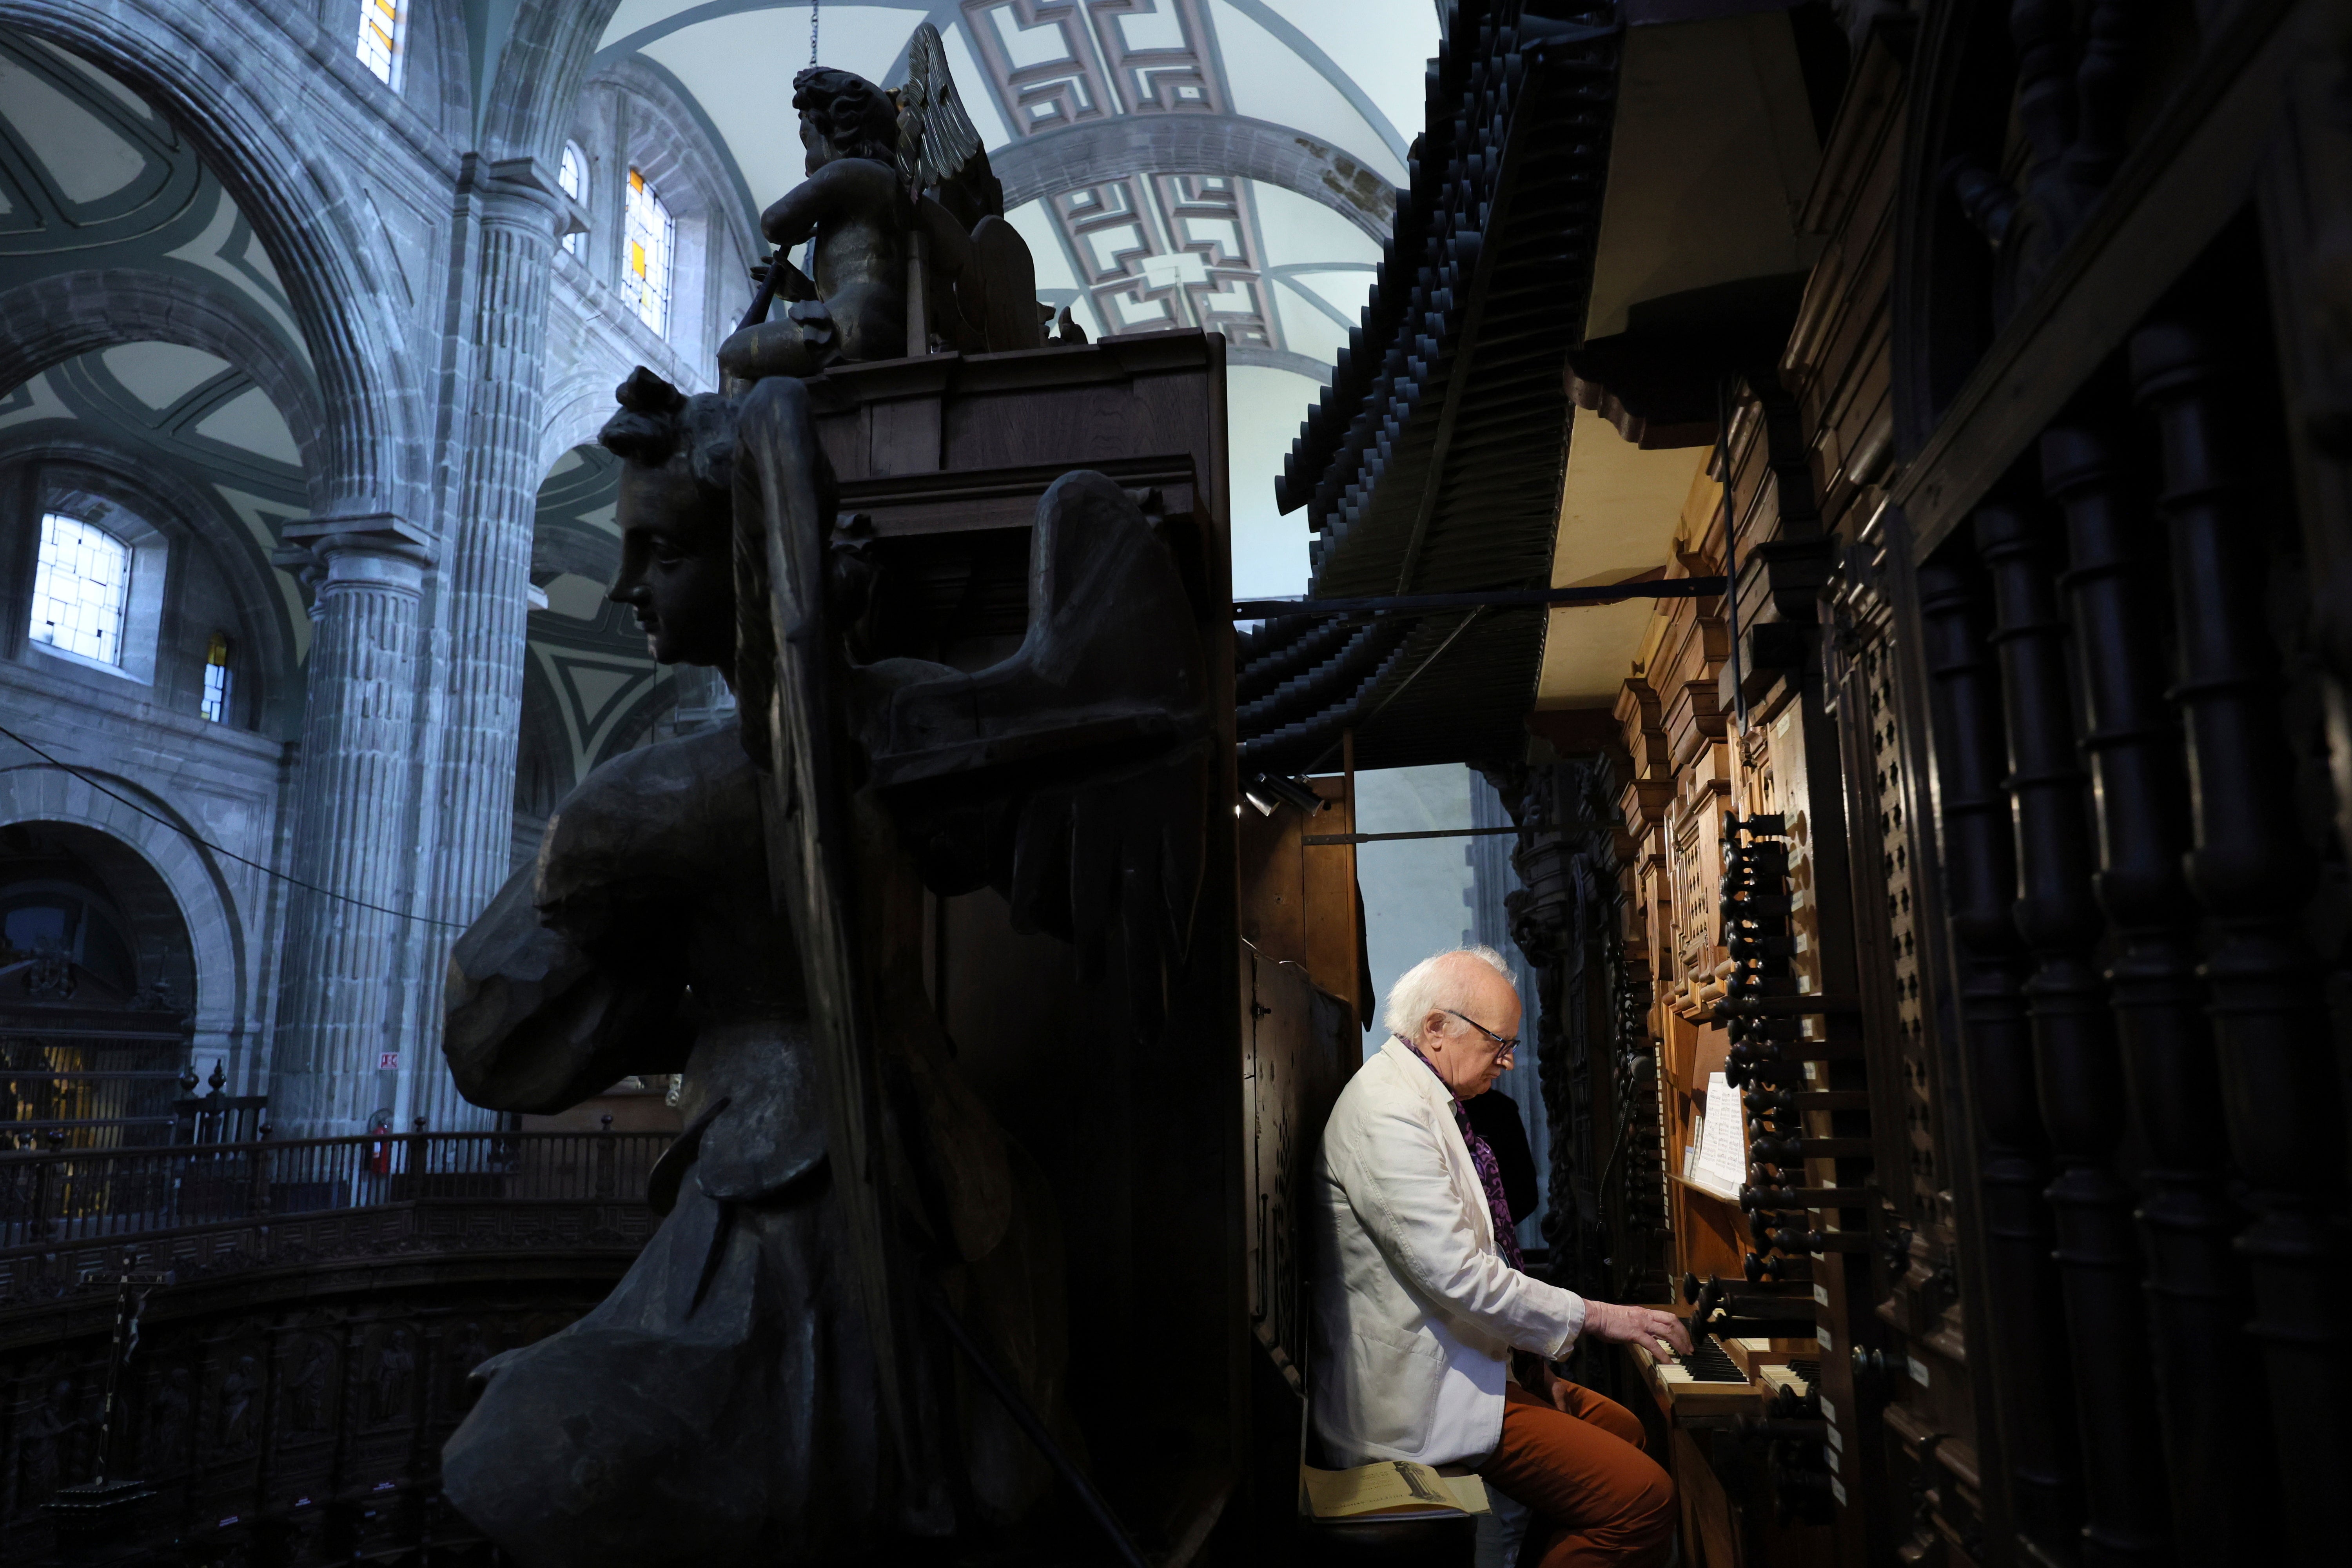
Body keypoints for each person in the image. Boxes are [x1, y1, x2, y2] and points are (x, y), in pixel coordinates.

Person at [1311, 946, 1690, 1567]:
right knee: (1642, 1500)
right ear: (1436, 1029)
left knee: (1622, 1432)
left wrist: (1530, 1358)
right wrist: (1598, 1316)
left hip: (1467, 1363)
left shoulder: (1425, 1095)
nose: (1509, 1062)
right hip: (1412, 1396)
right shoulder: (1388, 1113)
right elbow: (1460, 1276)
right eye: (1499, 1043)